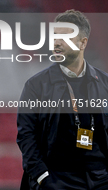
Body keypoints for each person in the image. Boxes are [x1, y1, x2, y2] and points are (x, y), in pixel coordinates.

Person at [17, 10, 108, 190]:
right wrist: (43, 177)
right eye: (55, 36)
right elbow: (26, 136)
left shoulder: (105, 83)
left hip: (99, 178)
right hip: (57, 179)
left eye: (64, 37)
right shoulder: (36, 85)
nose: (57, 42)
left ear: (83, 43)